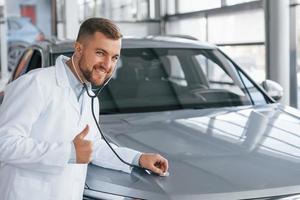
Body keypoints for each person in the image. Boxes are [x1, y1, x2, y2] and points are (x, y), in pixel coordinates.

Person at [0, 17, 168, 200]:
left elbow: (91, 147)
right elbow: (4, 143)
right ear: (79, 49)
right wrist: (69, 152)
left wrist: (138, 159)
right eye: (100, 53)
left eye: (114, 57)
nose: (108, 65)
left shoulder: (89, 96)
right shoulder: (36, 84)